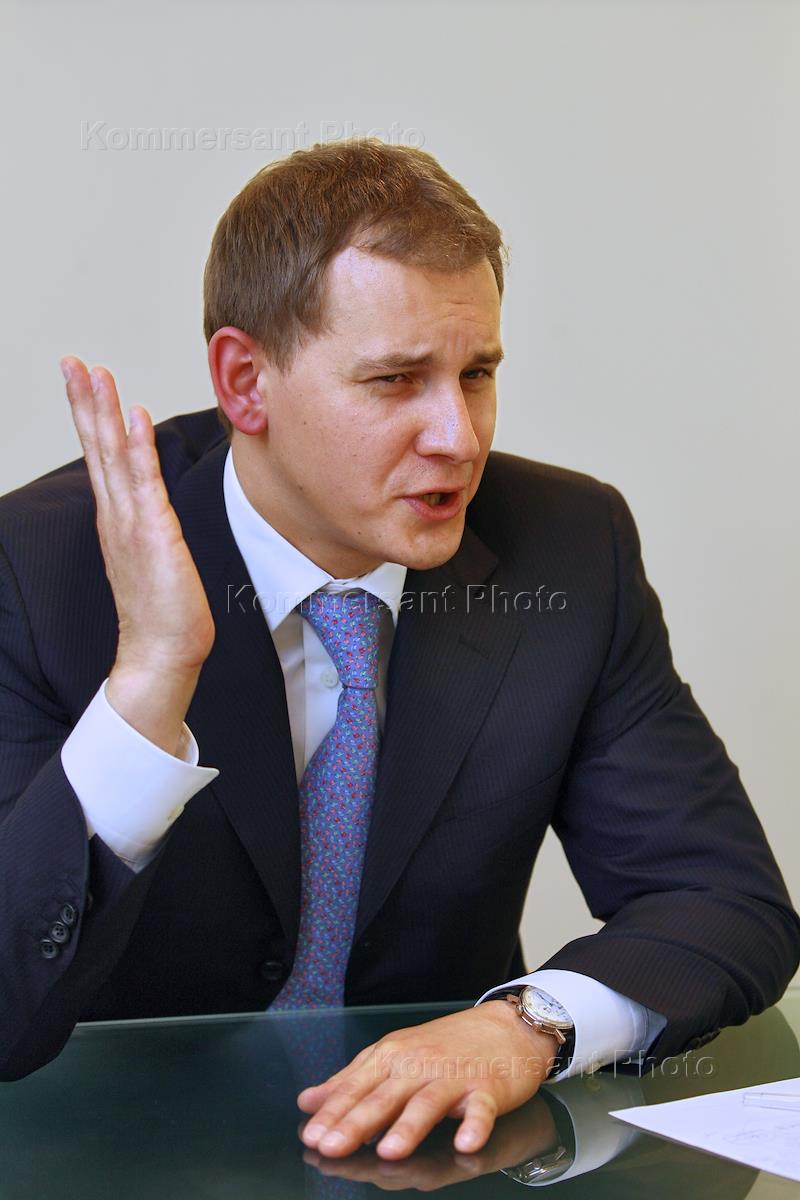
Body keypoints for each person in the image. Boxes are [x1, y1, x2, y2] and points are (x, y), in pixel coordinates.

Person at [0, 139, 797, 1163]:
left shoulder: (568, 546)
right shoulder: (39, 568)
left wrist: (527, 1026)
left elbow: (723, 899)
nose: (458, 438)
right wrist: (150, 682)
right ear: (246, 382)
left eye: (476, 374)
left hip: (429, 1165)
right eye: (394, 380)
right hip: (110, 1159)